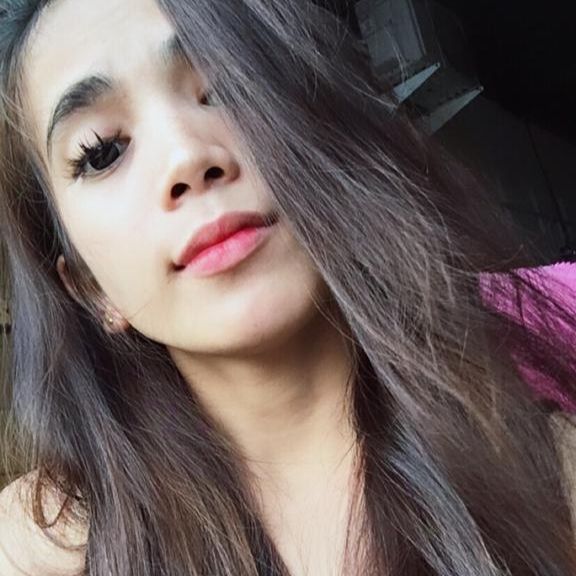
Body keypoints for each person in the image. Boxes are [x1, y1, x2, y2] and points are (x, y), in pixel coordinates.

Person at [0, 0, 575, 574]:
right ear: (90, 289)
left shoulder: (550, 450)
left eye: (226, 88)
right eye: (102, 152)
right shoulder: (42, 547)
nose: (187, 157)